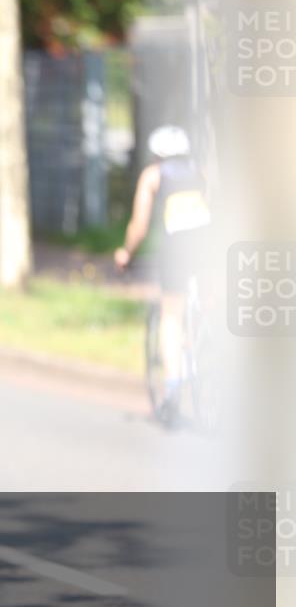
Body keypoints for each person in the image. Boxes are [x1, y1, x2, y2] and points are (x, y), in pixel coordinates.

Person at [114, 125, 211, 419]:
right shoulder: (202, 172)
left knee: (171, 315)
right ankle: (203, 351)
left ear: (156, 154)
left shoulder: (153, 176)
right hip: (208, 245)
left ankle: (171, 391)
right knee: (208, 304)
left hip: (177, 250)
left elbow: (139, 226)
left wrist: (125, 253)